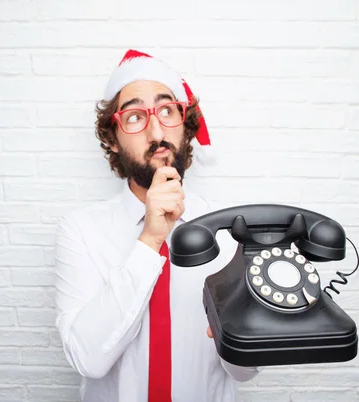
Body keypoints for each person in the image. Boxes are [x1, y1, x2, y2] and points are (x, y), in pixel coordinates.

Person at [54, 49, 261, 402]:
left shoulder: (229, 233)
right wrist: (150, 239)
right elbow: (87, 359)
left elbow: (244, 372)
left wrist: (244, 331)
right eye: (135, 116)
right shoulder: (80, 231)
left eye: (167, 111)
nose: (155, 131)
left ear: (185, 126)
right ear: (113, 140)